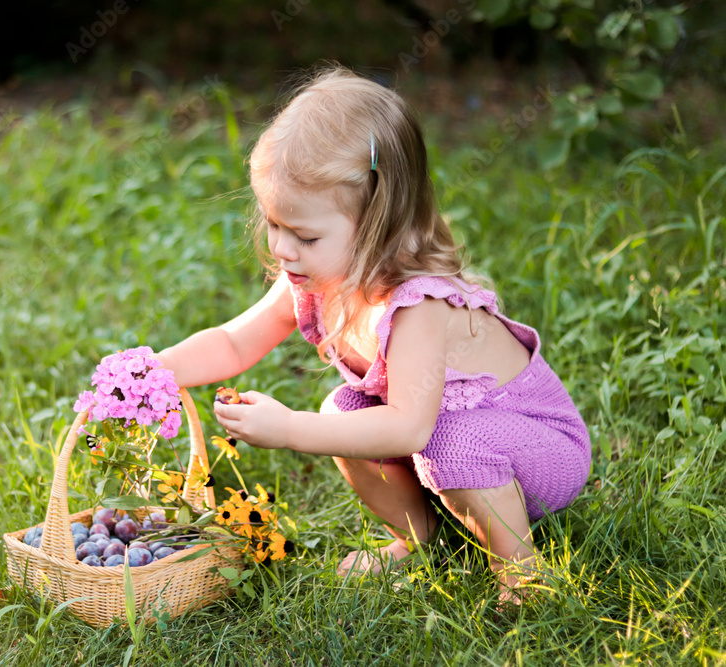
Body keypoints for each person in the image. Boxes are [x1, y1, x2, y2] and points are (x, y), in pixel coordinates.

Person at [154, 65, 591, 600]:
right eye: (273, 224)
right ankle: (420, 534)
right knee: (343, 410)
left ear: (379, 224)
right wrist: (154, 368)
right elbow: (233, 342)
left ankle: (522, 574)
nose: (282, 248)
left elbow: (409, 429)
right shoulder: (315, 279)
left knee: (446, 438)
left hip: (539, 452)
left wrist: (290, 428)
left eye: (306, 236)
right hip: (449, 444)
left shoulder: (417, 306)